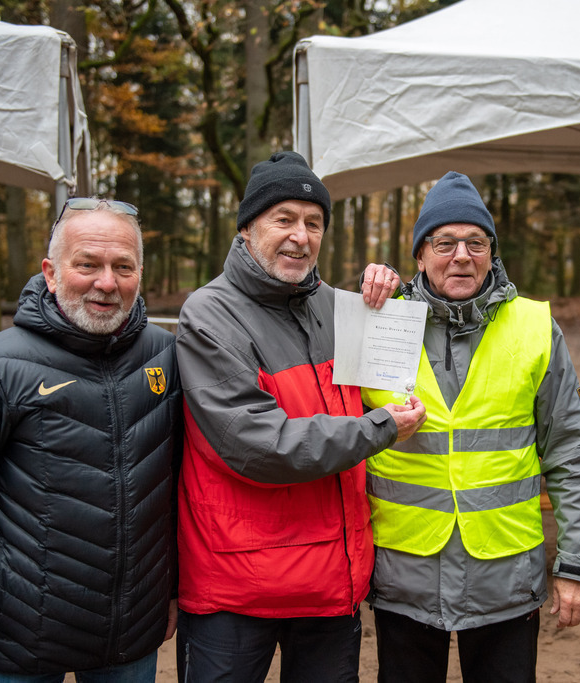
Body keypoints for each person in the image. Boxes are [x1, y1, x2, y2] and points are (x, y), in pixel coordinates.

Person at [0, 198, 182, 683]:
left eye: (123, 267)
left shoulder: (168, 357)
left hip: (131, 636)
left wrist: (173, 590)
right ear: (51, 273)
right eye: (87, 265)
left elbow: (178, 492)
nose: (107, 283)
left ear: (140, 274)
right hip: (20, 641)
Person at [173, 151, 426, 682]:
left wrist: (393, 293)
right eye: (283, 219)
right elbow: (257, 444)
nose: (300, 236)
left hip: (332, 583)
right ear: (247, 229)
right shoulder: (209, 313)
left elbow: (392, 377)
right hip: (237, 588)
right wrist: (381, 428)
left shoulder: (338, 308)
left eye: (313, 223)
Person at [358, 171, 580, 682]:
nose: (461, 256)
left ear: (492, 253)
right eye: (444, 243)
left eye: (476, 242)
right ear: (420, 256)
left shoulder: (535, 327)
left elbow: (569, 452)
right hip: (404, 575)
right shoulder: (376, 323)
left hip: (505, 578)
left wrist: (577, 564)